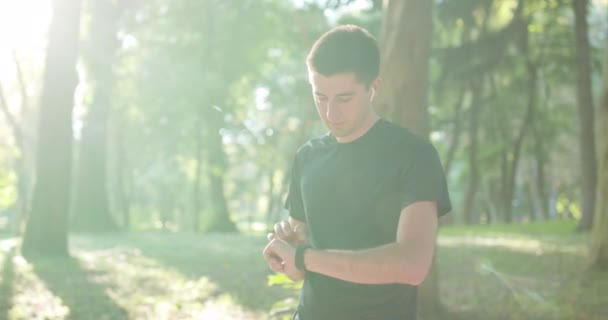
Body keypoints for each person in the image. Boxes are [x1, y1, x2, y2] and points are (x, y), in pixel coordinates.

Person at [262, 24, 451, 320]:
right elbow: (301, 270)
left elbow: (413, 264)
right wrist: (290, 256)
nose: (330, 114)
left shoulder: (413, 154)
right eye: (320, 97)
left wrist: (306, 257)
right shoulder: (307, 158)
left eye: (344, 98)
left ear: (373, 87)